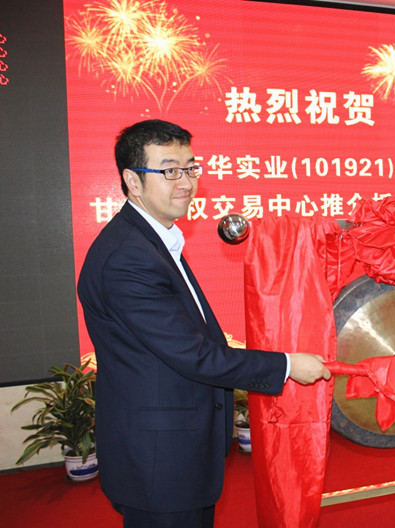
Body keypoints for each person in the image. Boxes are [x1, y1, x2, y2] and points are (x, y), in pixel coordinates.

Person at [77, 119, 331, 528]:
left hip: (178, 448)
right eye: (169, 170)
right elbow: (194, 355)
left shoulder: (153, 241)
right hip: (158, 458)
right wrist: (287, 365)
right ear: (132, 181)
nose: (185, 182)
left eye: (190, 168)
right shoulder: (127, 257)